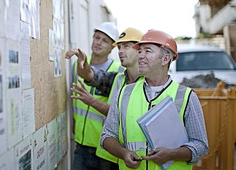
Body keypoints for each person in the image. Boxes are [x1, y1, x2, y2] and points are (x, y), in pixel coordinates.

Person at [100, 29, 209, 170]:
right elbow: (107, 136)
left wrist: (171, 155)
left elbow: (201, 146)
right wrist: (123, 153)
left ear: (165, 59)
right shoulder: (124, 93)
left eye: (148, 51)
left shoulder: (186, 96)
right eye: (139, 51)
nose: (140, 56)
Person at [65, 27, 144, 169]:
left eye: (126, 46)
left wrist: (91, 101)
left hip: (130, 157)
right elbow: (91, 75)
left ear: (141, 51)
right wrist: (82, 64)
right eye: (119, 47)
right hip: (108, 150)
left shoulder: (147, 85)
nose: (120, 51)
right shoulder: (118, 78)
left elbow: (121, 115)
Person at [66, 22, 123, 170]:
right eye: (97, 38)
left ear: (113, 47)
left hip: (104, 148)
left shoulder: (118, 72)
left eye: (105, 40)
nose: (98, 42)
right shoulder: (77, 67)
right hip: (81, 144)